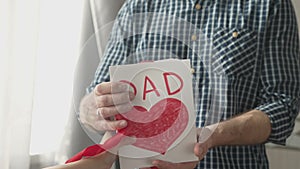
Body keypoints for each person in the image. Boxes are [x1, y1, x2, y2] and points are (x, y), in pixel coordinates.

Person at [79, 0, 300, 169]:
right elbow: (92, 101)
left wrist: (212, 135)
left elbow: (283, 105)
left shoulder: (269, 5)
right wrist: (96, 109)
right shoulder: (138, 5)